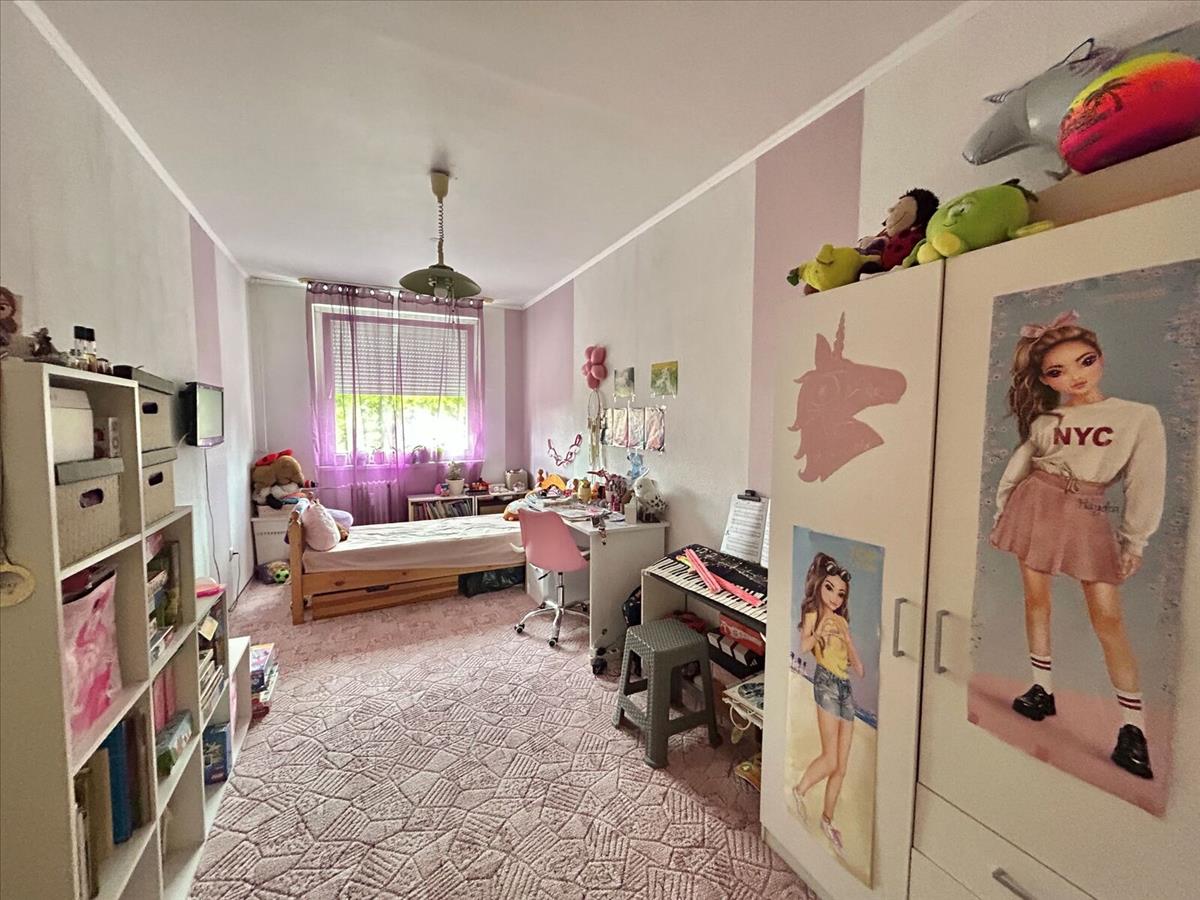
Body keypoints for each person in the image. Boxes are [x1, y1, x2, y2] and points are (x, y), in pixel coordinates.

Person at [991, 310, 1166, 779]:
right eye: (1057, 371)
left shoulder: (1137, 416)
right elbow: (1025, 461)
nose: (1075, 376)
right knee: (1036, 600)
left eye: (1085, 361)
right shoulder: (1050, 418)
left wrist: (1134, 539)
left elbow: (1146, 480)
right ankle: (1041, 689)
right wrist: (1004, 505)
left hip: (1088, 512)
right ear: (1046, 379)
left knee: (1108, 617)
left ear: (1100, 358)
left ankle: (1132, 726)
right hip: (1037, 503)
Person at [792, 553, 865, 856]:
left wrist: (850, 648)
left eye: (841, 593)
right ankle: (799, 791)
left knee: (842, 767)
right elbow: (804, 646)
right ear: (820, 585)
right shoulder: (813, 613)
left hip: (845, 688)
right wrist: (821, 631)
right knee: (831, 758)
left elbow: (856, 663)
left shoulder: (842, 621)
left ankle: (827, 820)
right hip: (826, 684)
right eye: (830, 588)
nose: (835, 597)